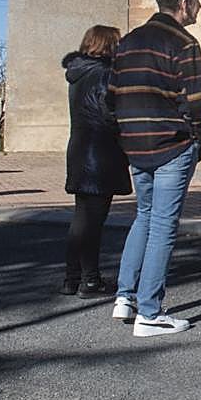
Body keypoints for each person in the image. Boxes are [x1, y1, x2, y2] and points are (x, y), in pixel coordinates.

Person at [108, 0, 201, 338]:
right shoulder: (185, 43)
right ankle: (150, 312)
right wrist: (199, 137)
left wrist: (127, 134)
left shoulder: (127, 43)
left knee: (145, 217)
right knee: (164, 226)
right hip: (172, 144)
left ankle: (125, 297)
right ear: (184, 3)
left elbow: (111, 94)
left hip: (136, 145)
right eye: (197, 0)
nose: (200, 6)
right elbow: (194, 100)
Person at [61, 25, 131, 297]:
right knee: (94, 220)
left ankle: (72, 277)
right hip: (101, 153)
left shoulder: (78, 74)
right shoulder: (105, 75)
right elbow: (110, 115)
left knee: (81, 218)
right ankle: (90, 280)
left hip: (80, 149)